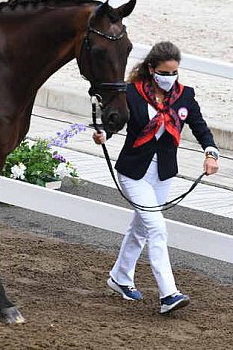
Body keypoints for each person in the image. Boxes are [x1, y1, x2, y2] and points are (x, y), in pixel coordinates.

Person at [92, 41, 219, 314]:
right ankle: (168, 293)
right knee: (157, 228)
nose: (170, 78)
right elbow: (116, 121)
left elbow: (200, 128)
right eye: (165, 72)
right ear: (151, 69)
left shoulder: (185, 96)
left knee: (140, 229)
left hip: (162, 174)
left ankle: (119, 277)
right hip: (133, 172)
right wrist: (104, 134)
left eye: (174, 73)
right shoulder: (132, 93)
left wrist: (211, 153)